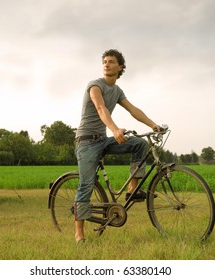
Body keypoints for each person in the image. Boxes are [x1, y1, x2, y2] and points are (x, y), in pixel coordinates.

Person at [74, 49, 163, 243]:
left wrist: (153, 125)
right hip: (86, 142)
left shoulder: (117, 91)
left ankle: (132, 190)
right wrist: (114, 129)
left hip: (102, 140)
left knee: (139, 144)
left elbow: (133, 110)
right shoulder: (95, 85)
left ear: (120, 67)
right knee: (86, 185)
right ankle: (79, 233)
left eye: (111, 61)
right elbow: (100, 108)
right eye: (104, 61)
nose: (106, 64)